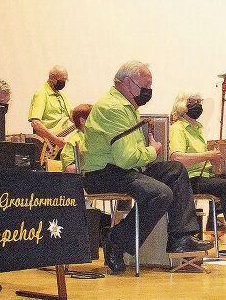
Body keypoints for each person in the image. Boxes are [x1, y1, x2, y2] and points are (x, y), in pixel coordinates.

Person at [81, 61, 212, 274]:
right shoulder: (113, 108)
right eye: (146, 85)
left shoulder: (127, 105)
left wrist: (148, 153)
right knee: (160, 193)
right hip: (104, 173)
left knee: (176, 170)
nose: (149, 91)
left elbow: (130, 158)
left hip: (125, 169)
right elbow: (125, 158)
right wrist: (153, 151)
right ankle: (116, 239)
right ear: (126, 82)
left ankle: (181, 237)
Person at [168, 91, 226, 262]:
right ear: (182, 105)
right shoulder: (177, 129)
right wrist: (207, 156)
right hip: (189, 179)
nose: (198, 105)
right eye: (192, 102)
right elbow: (176, 158)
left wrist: (215, 160)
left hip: (206, 175)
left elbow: (207, 160)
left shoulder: (199, 128)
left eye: (199, 101)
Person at [28, 66, 72, 150]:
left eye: (65, 80)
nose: (63, 83)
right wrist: (55, 140)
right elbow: (35, 123)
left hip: (60, 144)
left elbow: (72, 117)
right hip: (47, 146)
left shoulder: (62, 96)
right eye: (61, 80)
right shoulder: (41, 94)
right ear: (51, 77)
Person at [60, 104, 92, 173]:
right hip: (81, 181)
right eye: (93, 119)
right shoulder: (73, 141)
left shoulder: (95, 137)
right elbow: (70, 168)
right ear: (82, 121)